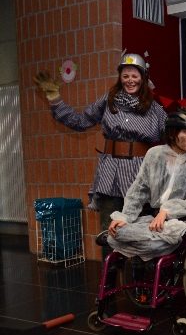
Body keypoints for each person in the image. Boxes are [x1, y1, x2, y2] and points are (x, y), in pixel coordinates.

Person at [33, 53, 167, 258]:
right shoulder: (108, 101)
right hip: (109, 173)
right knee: (108, 230)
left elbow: (172, 135)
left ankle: (138, 275)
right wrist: (55, 99)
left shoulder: (154, 108)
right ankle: (110, 275)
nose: (130, 80)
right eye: (125, 76)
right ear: (120, 77)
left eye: (134, 76)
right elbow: (80, 121)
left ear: (143, 78)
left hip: (140, 173)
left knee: (140, 228)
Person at [105, 108, 186, 262]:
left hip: (182, 218)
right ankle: (175, 232)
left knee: (150, 245)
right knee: (115, 235)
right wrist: (125, 217)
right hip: (154, 222)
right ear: (172, 134)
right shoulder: (154, 155)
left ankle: (180, 229)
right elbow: (138, 190)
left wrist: (166, 211)